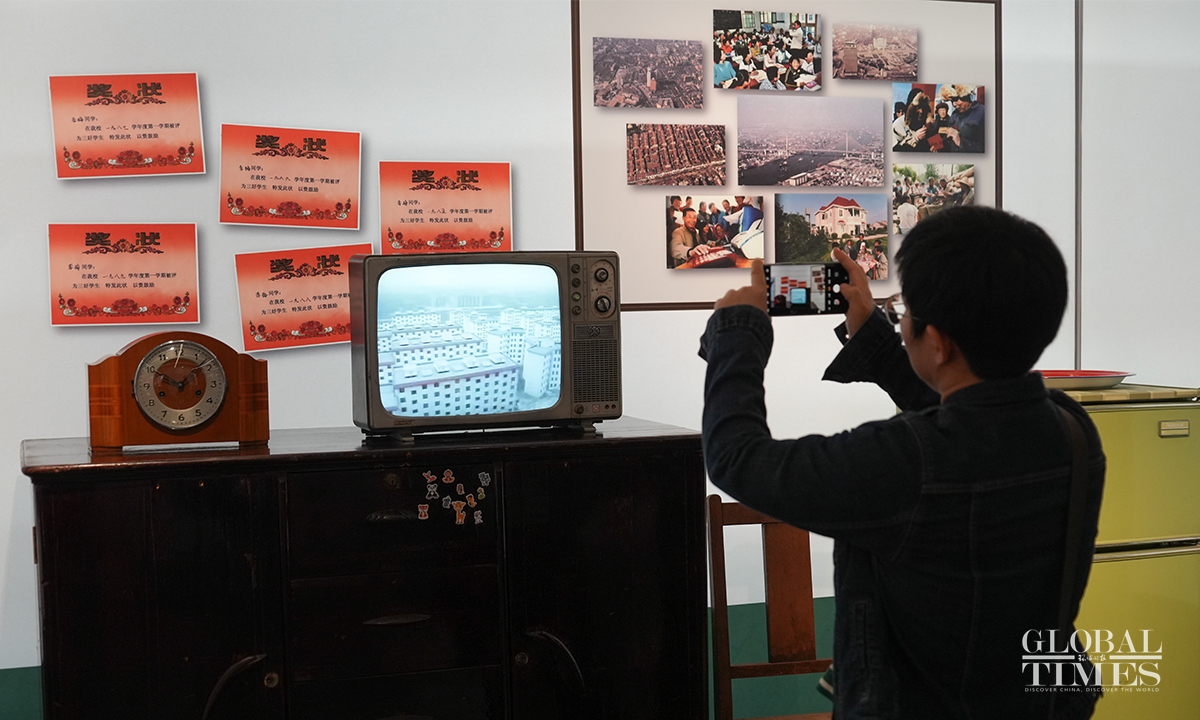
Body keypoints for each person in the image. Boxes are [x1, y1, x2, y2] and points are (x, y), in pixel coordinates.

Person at [698, 206, 1104, 718]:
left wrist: (739, 332)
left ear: (937, 342)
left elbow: (737, 458)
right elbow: (970, 423)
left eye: (905, 310)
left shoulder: (907, 461)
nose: (902, 318)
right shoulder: (1072, 430)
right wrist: (874, 332)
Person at [944, 84, 985, 153]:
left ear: (965, 96)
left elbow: (987, 149)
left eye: (956, 99)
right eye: (952, 101)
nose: (954, 104)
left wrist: (960, 143)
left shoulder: (983, 112)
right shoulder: (954, 114)